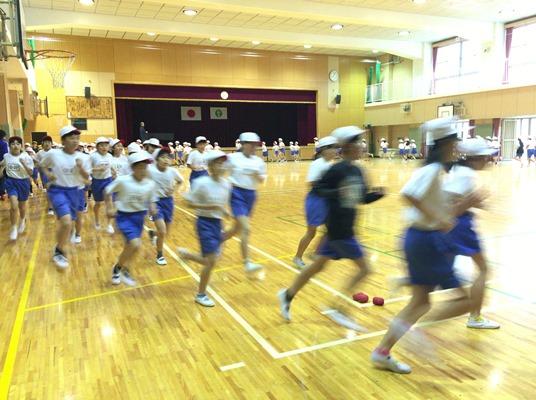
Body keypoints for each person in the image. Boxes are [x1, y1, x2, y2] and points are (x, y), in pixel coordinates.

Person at [370, 118, 482, 374]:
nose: (457, 147)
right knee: (464, 301)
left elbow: (434, 205)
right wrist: (439, 219)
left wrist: (457, 209)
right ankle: (416, 335)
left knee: (421, 302)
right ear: (445, 144)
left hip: (423, 239)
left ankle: (382, 351)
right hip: (425, 240)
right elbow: (408, 195)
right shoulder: (431, 170)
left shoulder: (436, 170)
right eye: (454, 142)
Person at [278, 126, 384, 330]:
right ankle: (339, 308)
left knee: (317, 266)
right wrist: (337, 192)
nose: (362, 146)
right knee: (365, 269)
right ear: (347, 146)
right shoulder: (336, 170)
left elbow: (361, 198)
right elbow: (318, 188)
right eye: (358, 142)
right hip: (339, 230)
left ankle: (287, 295)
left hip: (342, 228)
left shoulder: (358, 170)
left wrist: (376, 195)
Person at [445, 137, 499, 329]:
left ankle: (409, 282)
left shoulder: (458, 170)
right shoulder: (466, 175)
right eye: (485, 157)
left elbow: (456, 199)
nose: (488, 160)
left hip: (451, 226)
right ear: (474, 158)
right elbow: (452, 207)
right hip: (459, 226)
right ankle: (475, 317)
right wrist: (474, 200)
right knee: (484, 269)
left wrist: (479, 203)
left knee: (443, 269)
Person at [178, 150, 231, 307]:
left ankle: (187, 255)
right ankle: (200, 294)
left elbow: (222, 203)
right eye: (218, 163)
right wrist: (212, 207)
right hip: (204, 223)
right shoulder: (201, 183)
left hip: (218, 223)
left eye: (223, 163)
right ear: (210, 166)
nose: (222, 166)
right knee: (210, 261)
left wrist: (224, 211)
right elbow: (187, 203)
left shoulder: (226, 184)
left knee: (213, 259)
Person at [105, 151, 158, 286]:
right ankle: (122, 269)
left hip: (139, 217)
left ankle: (120, 268)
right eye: (140, 167)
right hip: (124, 217)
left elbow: (151, 199)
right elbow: (107, 191)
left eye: (145, 167)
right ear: (133, 168)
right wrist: (109, 207)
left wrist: (152, 208)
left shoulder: (150, 184)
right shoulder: (123, 180)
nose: (143, 170)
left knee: (133, 247)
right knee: (135, 244)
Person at [40, 125, 90, 269]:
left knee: (69, 224)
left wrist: (80, 168)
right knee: (66, 222)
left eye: (77, 138)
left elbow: (87, 178)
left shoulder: (83, 157)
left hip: (75, 192)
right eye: (71, 138)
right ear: (63, 141)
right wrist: (48, 174)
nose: (75, 141)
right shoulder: (53, 154)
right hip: (57, 191)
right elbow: (42, 165)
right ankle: (59, 251)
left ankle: (60, 245)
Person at [223, 132, 267, 273]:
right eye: (251, 144)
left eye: (255, 144)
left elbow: (262, 180)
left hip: (251, 195)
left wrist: (257, 175)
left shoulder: (258, 161)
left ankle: (217, 240)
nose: (254, 147)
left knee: (236, 229)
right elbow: (220, 171)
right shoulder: (232, 158)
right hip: (236, 194)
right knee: (246, 228)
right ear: (243, 144)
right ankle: (247, 263)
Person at [293, 136, 338, 268]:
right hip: (316, 201)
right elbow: (312, 183)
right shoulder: (317, 164)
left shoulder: (329, 164)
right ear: (324, 150)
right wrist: (331, 190)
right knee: (311, 232)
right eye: (332, 148)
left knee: (331, 229)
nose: (335, 151)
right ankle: (297, 257)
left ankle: (315, 252)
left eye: (336, 148)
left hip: (326, 200)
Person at [148, 147, 183, 265]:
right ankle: (159, 255)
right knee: (162, 231)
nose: (166, 160)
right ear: (157, 159)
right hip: (155, 202)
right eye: (163, 157)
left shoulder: (172, 171)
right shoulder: (150, 170)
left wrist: (174, 189)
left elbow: (180, 181)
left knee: (165, 232)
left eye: (168, 157)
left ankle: (153, 233)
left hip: (168, 202)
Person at [0, 136, 34, 241]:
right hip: (11, 182)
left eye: (18, 144)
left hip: (23, 182)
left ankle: (22, 219)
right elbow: (2, 164)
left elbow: (31, 173)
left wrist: (24, 163)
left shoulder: (26, 156)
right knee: (14, 206)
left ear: (21, 145)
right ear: (9, 146)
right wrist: (1, 170)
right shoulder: (6, 156)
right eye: (13, 144)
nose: (15, 146)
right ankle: (14, 227)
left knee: (22, 206)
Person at [90, 137, 115, 233]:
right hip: (96, 181)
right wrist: (97, 169)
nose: (104, 147)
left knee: (109, 200)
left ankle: (109, 224)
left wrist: (114, 172)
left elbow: (111, 167)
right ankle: (96, 220)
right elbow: (87, 169)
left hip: (108, 180)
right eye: (101, 145)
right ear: (97, 147)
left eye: (106, 145)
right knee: (98, 204)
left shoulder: (110, 156)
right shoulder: (93, 156)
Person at [36, 136, 54, 214]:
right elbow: (36, 163)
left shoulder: (55, 152)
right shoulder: (40, 153)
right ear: (42, 143)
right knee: (49, 190)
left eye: (49, 142)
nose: (47, 144)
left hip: (54, 172)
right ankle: (50, 207)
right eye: (45, 142)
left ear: (51, 143)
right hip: (45, 172)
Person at [0, 130, 9, 201]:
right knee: (2, 178)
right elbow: (5, 154)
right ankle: (2, 194)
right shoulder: (4, 143)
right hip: (1, 163)